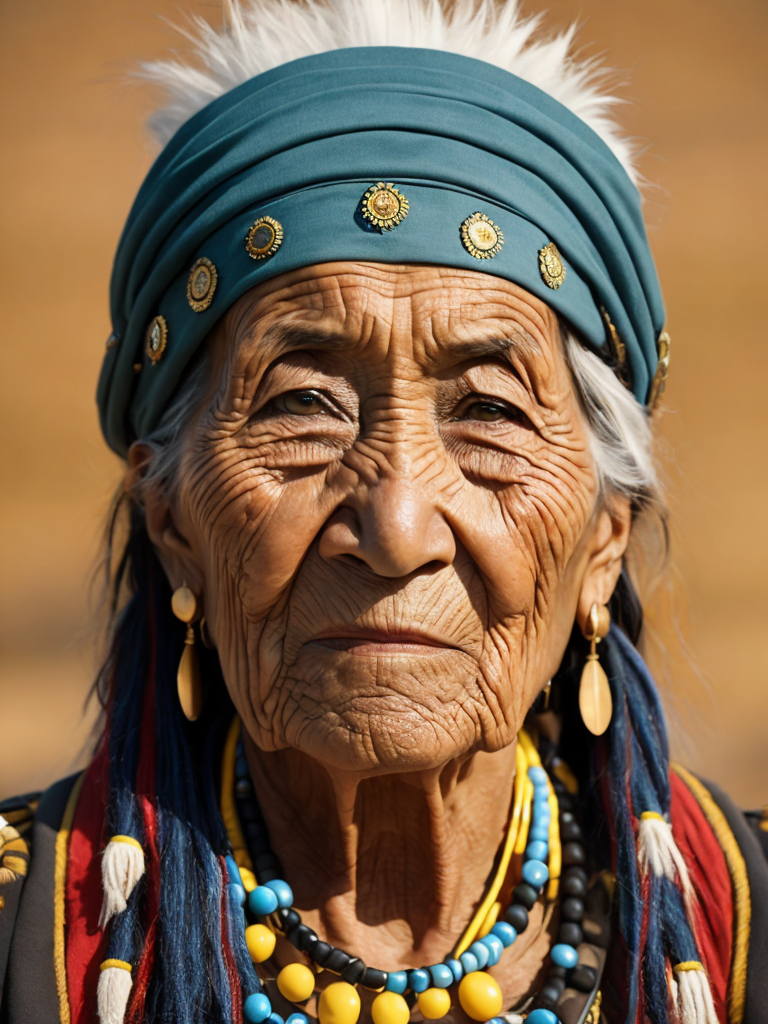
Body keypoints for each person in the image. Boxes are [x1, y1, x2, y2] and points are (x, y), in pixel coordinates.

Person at [0, 1, 766, 1022]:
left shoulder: (732, 943)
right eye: (301, 405)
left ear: (603, 538)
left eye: (490, 412)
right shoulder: (34, 939)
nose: (398, 525)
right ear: (173, 521)